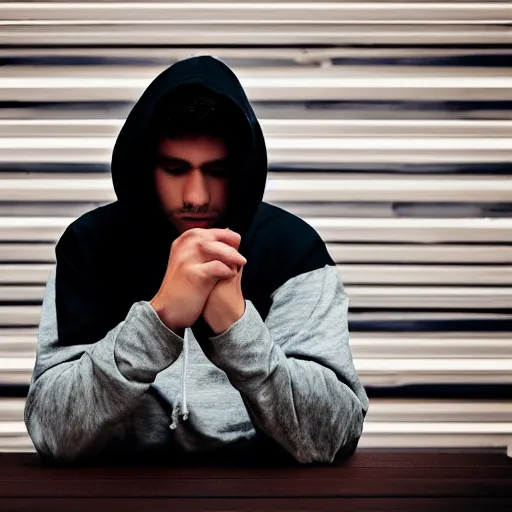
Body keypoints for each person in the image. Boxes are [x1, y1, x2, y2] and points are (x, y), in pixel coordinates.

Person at [24, 55, 369, 465]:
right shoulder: (90, 248)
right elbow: (50, 430)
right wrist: (159, 321)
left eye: (217, 171)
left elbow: (334, 434)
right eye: (175, 169)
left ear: (242, 169)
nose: (196, 197)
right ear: (145, 166)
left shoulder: (294, 251)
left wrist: (237, 330)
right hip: (118, 495)